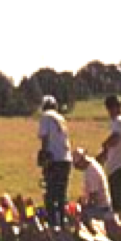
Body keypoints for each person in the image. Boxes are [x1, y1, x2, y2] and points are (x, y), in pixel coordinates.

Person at [95, 95, 121, 218]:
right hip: (120, 164)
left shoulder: (119, 121)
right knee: (119, 197)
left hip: (116, 166)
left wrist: (105, 144)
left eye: (109, 109)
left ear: (113, 108)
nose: (109, 113)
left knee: (117, 201)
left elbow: (115, 138)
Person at [37, 95, 72, 229]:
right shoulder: (61, 118)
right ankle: (62, 222)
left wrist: (44, 156)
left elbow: (45, 138)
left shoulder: (46, 117)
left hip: (54, 159)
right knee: (61, 194)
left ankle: (53, 224)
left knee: (50, 194)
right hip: (66, 159)